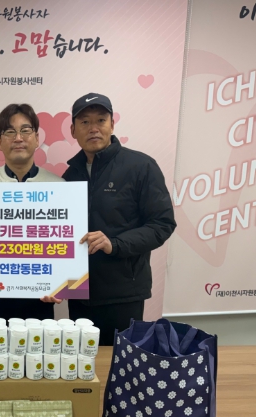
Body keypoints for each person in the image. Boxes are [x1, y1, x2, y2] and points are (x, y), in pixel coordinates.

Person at [62, 93, 176, 345]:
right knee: (80, 362)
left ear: (112, 125)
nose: (93, 128)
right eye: (84, 122)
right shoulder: (70, 175)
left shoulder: (141, 166)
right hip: (79, 294)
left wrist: (115, 244)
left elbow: (162, 224)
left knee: (120, 363)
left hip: (123, 294)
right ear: (73, 130)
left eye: (101, 120)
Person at [0, 103, 64, 321]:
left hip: (41, 296)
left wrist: (61, 283)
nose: (18, 138)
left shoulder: (59, 187)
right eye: (9, 132)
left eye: (25, 131)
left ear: (37, 138)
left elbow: (66, 244)